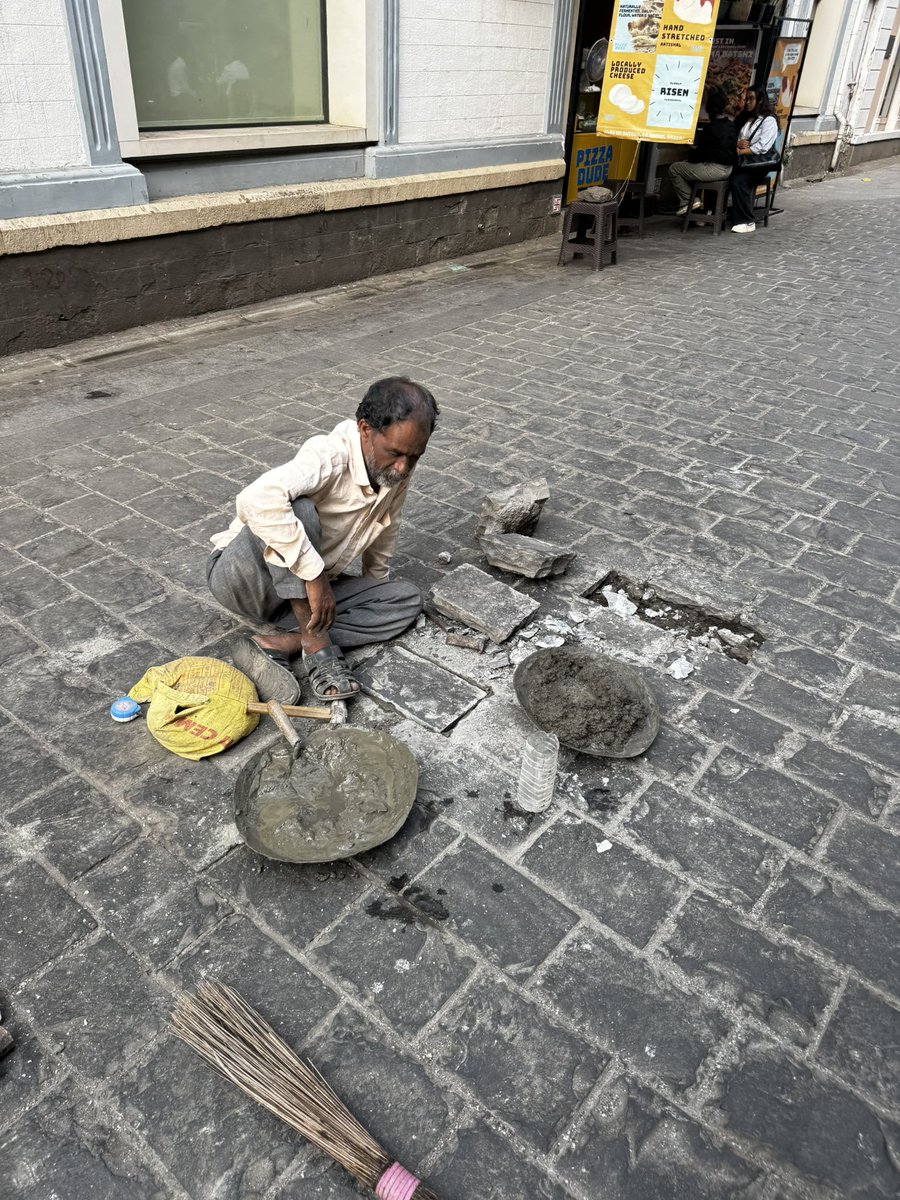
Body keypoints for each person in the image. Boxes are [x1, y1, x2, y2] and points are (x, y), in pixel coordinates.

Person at [207, 378, 437, 704]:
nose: (403, 467)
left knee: (406, 599)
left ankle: (286, 641)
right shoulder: (328, 455)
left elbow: (387, 527)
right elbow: (254, 500)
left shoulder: (396, 470)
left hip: (293, 597)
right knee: (299, 510)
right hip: (244, 581)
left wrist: (372, 594)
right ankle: (316, 642)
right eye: (395, 453)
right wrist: (314, 575)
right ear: (365, 430)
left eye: (415, 457)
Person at [668, 89, 737, 216]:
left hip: (715, 170)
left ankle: (689, 200)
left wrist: (689, 150)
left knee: (675, 168)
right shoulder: (730, 125)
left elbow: (698, 155)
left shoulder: (710, 129)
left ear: (708, 110)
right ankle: (701, 211)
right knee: (690, 168)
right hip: (729, 170)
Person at [730, 87, 780, 234]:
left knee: (739, 181)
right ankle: (711, 211)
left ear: (760, 100)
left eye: (751, 99)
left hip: (757, 163)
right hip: (741, 160)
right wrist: (737, 144)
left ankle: (747, 221)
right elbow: (733, 137)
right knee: (719, 171)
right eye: (746, 99)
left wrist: (740, 151)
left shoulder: (768, 120)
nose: (747, 102)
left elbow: (762, 147)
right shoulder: (744, 118)